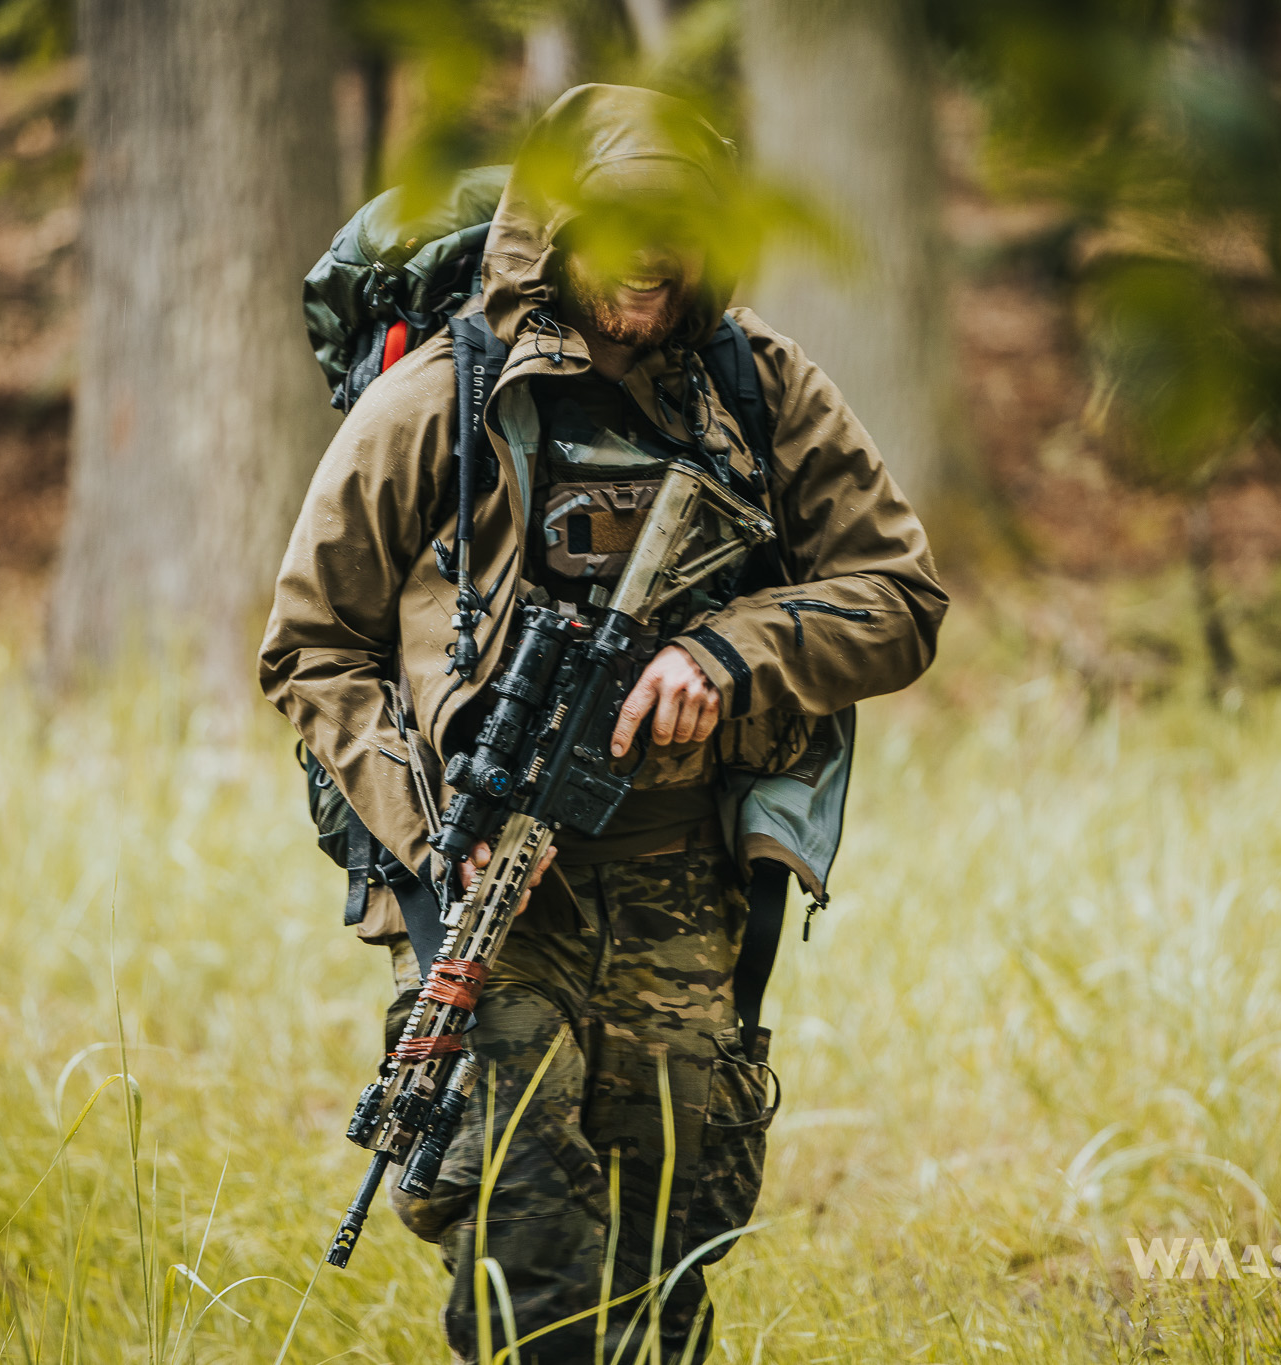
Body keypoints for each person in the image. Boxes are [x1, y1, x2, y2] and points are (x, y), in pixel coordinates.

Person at [260, 83, 945, 1364]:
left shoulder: (758, 391)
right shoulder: (441, 398)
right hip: (485, 890)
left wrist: (725, 654)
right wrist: (429, 830)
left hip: (681, 889)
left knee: (674, 1240)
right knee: (525, 1248)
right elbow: (310, 645)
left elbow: (898, 597)